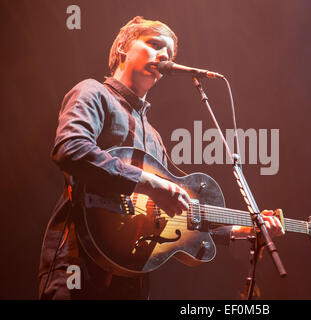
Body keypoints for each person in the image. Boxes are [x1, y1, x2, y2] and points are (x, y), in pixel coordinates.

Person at [38, 16, 284, 300]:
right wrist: (147, 183)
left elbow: (179, 212)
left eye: (168, 53)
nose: (164, 56)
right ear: (122, 48)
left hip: (133, 277)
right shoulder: (93, 92)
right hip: (78, 263)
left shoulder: (153, 136)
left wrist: (244, 228)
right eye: (154, 45)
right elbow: (70, 148)